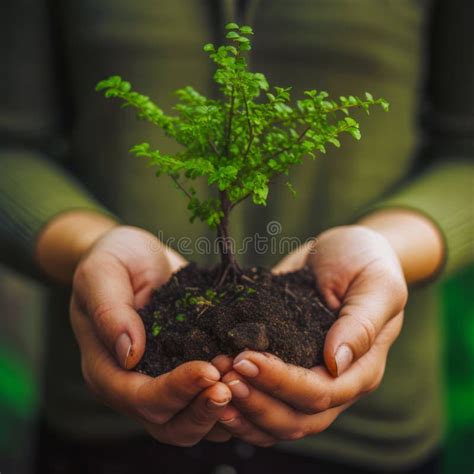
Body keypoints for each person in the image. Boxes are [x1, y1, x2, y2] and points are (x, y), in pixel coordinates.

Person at [1, 0, 472, 473]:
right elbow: (11, 148)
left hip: (368, 438)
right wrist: (90, 247)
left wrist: (386, 248)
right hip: (106, 430)